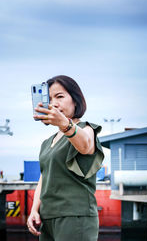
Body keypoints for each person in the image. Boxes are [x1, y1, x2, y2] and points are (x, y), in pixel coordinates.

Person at [27, 75, 104, 241]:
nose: (54, 103)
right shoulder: (47, 142)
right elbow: (45, 176)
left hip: (75, 216)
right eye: (49, 99)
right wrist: (34, 209)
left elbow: (86, 145)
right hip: (48, 218)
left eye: (60, 96)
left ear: (75, 101)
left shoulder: (86, 128)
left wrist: (65, 124)